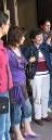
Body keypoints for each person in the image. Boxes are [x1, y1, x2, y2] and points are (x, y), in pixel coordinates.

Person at [7, 26, 38, 140]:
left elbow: (23, 61)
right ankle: (17, 133)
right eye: (22, 36)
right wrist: (27, 62)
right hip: (15, 85)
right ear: (16, 37)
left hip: (22, 83)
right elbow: (14, 66)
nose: (24, 38)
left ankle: (27, 129)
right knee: (17, 110)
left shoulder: (17, 49)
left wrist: (28, 61)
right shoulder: (8, 51)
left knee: (27, 107)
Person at [23, 28, 52, 125]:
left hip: (46, 74)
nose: (40, 38)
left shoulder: (44, 46)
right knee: (37, 96)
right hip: (35, 75)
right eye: (38, 36)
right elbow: (22, 61)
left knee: (45, 95)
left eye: (41, 36)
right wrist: (28, 60)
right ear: (32, 39)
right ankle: (37, 116)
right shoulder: (28, 48)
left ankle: (44, 114)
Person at [0, 11, 13, 140]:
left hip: (5, 88)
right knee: (1, 126)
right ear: (2, 25)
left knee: (6, 124)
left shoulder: (1, 43)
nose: (9, 26)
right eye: (8, 24)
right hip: (0, 90)